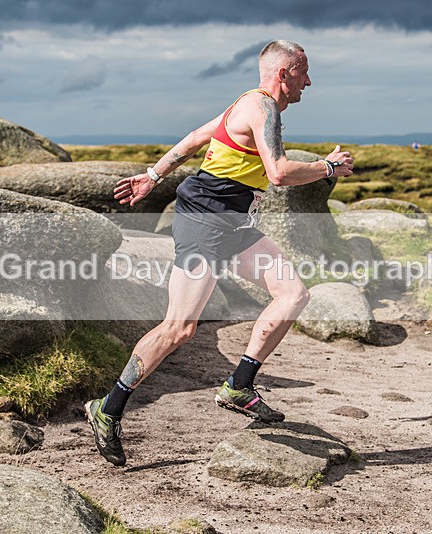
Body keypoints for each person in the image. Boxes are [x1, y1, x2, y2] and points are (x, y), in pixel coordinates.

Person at [85, 40, 354, 466]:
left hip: (235, 226)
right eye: (303, 71)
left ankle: (239, 385)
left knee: (293, 294)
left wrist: (153, 175)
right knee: (179, 328)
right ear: (284, 73)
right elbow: (279, 174)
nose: (308, 81)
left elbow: (196, 137)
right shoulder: (261, 107)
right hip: (205, 223)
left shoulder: (249, 105)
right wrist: (328, 167)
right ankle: (108, 407)